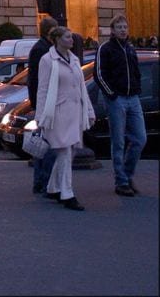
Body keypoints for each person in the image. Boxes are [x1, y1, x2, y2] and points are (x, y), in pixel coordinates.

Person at [36, 26, 96, 211]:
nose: (72, 40)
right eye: (68, 37)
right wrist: (40, 116)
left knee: (68, 152)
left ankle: (54, 187)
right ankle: (67, 193)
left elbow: (81, 87)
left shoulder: (75, 59)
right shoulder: (47, 60)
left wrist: (89, 111)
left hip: (74, 111)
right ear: (58, 39)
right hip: (57, 113)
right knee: (65, 152)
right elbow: (43, 89)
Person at [93, 14, 147, 197]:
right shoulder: (105, 49)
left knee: (140, 139)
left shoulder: (130, 49)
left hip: (133, 98)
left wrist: (137, 89)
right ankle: (121, 181)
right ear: (113, 30)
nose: (123, 30)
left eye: (125, 27)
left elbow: (136, 71)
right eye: (119, 27)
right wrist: (112, 95)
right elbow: (99, 74)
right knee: (118, 142)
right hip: (117, 100)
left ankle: (127, 174)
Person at [27, 16, 58, 194]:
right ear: (49, 32)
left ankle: (39, 182)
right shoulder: (42, 50)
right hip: (44, 104)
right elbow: (36, 80)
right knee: (47, 146)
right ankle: (43, 181)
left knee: (42, 145)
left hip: (42, 103)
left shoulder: (42, 47)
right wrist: (36, 103)